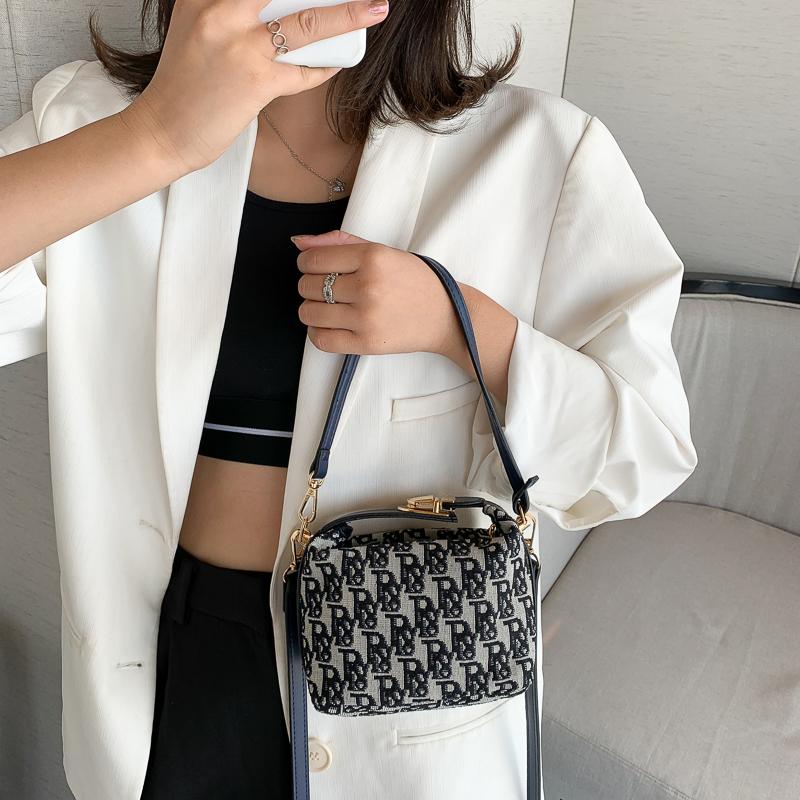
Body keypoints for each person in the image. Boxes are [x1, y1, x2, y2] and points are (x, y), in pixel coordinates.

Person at [0, 0, 698, 798]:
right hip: (165, 667)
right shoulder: (92, 121)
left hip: (403, 675)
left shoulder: (540, 153)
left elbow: (641, 455)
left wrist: (462, 327)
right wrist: (155, 137)